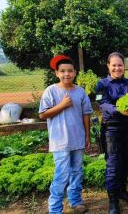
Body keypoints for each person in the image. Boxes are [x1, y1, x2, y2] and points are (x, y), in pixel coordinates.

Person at [39, 55, 93, 214]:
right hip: (60, 141)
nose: (66, 74)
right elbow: (42, 114)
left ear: (75, 72)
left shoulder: (80, 91)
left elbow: (86, 114)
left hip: (77, 140)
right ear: (56, 73)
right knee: (62, 175)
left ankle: (75, 201)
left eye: (70, 71)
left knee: (77, 172)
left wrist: (87, 136)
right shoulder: (51, 91)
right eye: (62, 71)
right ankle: (55, 209)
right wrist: (62, 105)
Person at [95, 52, 128, 214]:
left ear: (124, 66)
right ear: (108, 66)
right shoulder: (101, 85)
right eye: (114, 65)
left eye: (120, 65)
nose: (117, 68)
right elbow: (103, 104)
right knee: (113, 163)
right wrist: (120, 109)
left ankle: (121, 190)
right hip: (111, 129)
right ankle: (113, 199)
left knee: (126, 160)